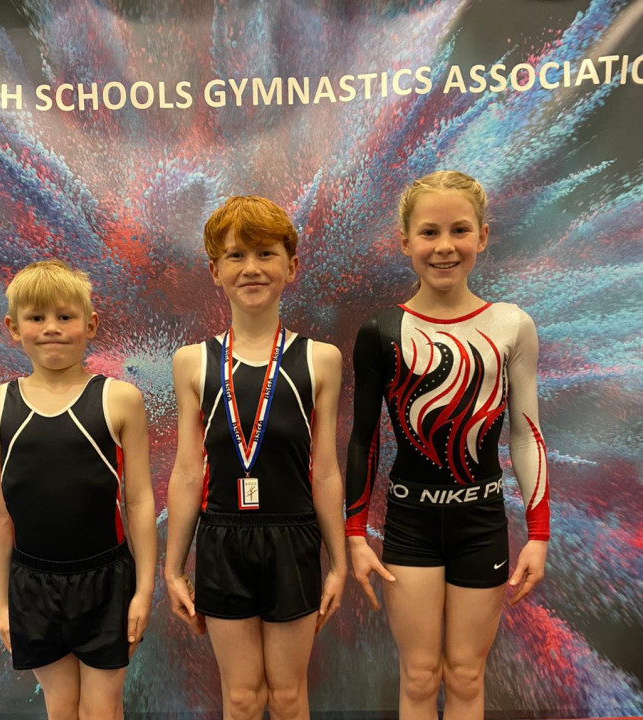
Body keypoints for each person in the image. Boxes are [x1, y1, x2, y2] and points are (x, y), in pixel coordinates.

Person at [346, 171, 550, 720]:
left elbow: (526, 436)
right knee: (418, 676)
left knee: (464, 675)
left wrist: (538, 535)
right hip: (411, 524)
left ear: (482, 236)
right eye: (429, 232)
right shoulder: (381, 331)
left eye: (459, 230)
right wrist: (354, 533)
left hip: (480, 520)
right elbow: (363, 438)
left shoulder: (512, 325)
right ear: (405, 242)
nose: (444, 247)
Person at [165, 196, 347, 720]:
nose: (251, 268)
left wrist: (336, 563)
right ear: (215, 271)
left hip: (293, 538)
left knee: (288, 696)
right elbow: (186, 470)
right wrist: (174, 566)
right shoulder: (192, 362)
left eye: (265, 254)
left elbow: (326, 469)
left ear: (291, 266)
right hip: (222, 539)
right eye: (236, 256)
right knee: (242, 697)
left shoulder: (321, 360)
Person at [0, 260, 156, 720]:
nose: (51, 329)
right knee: (61, 708)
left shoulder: (119, 399)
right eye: (36, 318)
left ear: (89, 324)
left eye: (64, 317)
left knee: (100, 709)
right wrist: (1, 602)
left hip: (107, 581)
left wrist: (143, 590)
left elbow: (137, 501)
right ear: (14, 328)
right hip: (32, 585)